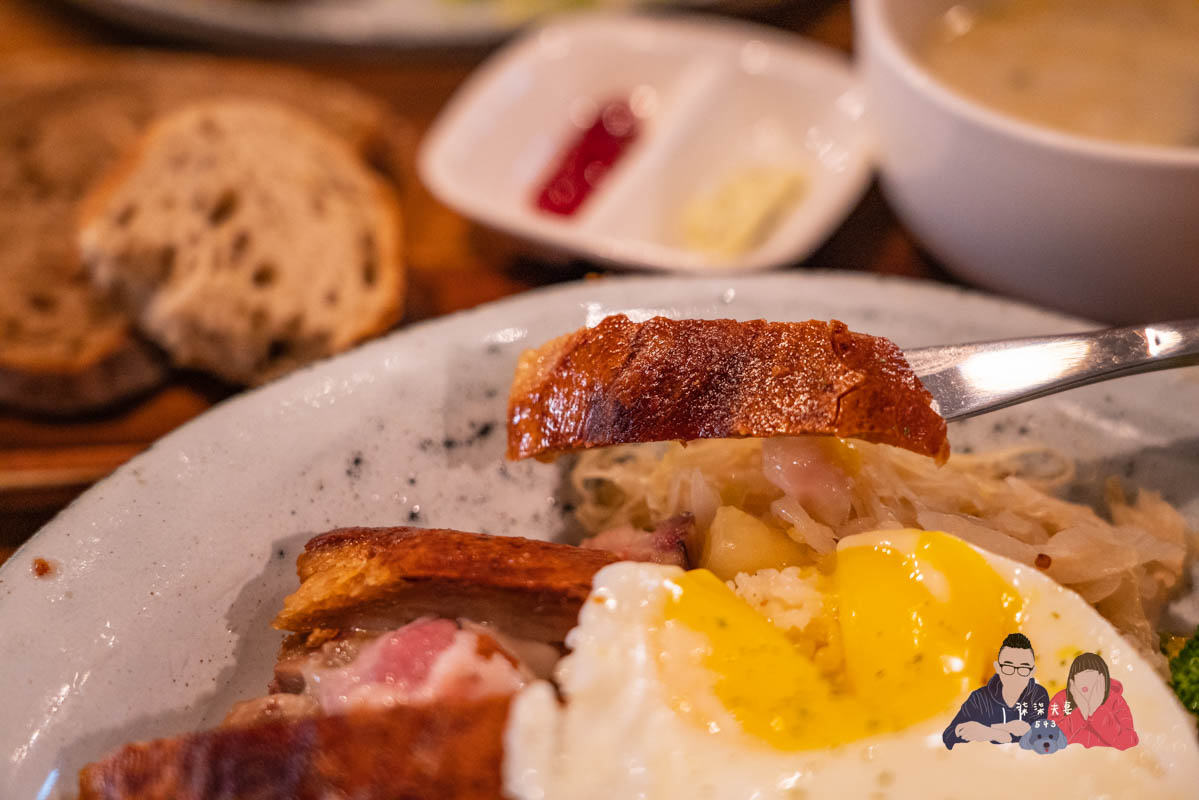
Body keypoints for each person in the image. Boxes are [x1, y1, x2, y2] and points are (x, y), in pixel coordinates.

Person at [943, 632, 1050, 749]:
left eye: (1023, 669)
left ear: (1032, 671)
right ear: (998, 668)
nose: (1015, 675)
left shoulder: (1038, 696)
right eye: (1008, 667)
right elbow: (949, 735)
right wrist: (994, 732)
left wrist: (994, 730)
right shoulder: (980, 698)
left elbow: (1045, 736)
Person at [1048, 652, 1138, 750]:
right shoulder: (1061, 700)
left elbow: (1128, 741)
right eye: (1079, 676)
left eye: (1089, 676)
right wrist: (1080, 714)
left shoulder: (1116, 701)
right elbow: (1050, 739)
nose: (1084, 682)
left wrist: (1096, 711)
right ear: (1072, 681)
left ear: (1102, 679)